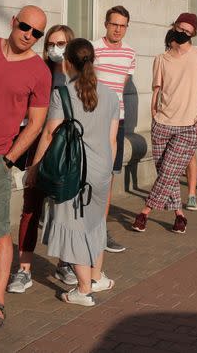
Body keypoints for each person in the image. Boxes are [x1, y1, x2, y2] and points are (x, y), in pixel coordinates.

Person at [0, 6, 52, 328]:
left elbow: (37, 123)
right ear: (13, 22)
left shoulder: (40, 71)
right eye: (25, 27)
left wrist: (8, 159)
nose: (29, 35)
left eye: (36, 33)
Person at [28, 39, 120, 306]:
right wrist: (108, 171)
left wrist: (34, 168)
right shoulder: (111, 94)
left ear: (67, 62)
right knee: (95, 223)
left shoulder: (63, 94)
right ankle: (97, 276)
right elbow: (112, 139)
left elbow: (48, 133)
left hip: (74, 172)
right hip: (102, 169)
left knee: (74, 225)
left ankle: (83, 289)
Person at [8, 25, 76, 294]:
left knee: (64, 211)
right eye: (50, 43)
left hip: (65, 152)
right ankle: (23, 269)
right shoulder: (39, 72)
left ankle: (65, 262)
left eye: (61, 44)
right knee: (31, 208)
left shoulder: (78, 77)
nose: (55, 49)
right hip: (36, 146)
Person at [131, 13, 197, 233]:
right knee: (167, 173)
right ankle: (179, 214)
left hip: (188, 126)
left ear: (193, 33)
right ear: (174, 27)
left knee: (168, 171)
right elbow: (156, 90)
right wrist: (154, 114)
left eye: (188, 31)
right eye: (180, 28)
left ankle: (144, 212)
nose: (183, 33)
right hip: (163, 124)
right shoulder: (161, 59)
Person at [92, 6, 136, 251]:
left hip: (116, 120)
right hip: (92, 120)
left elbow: (123, 84)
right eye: (114, 24)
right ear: (106, 24)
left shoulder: (130, 53)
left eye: (123, 25)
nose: (118, 29)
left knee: (108, 176)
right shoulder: (93, 48)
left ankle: (100, 230)